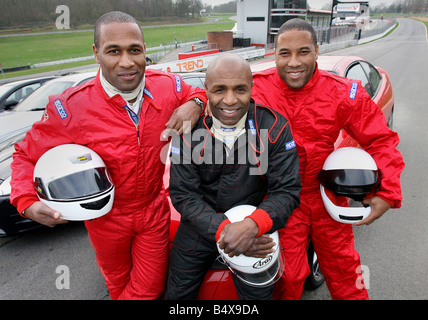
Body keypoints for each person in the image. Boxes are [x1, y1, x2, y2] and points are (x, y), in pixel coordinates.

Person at [10, 11, 206, 300]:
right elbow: (25, 156)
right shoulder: (71, 108)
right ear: (96, 53)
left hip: (153, 212)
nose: (126, 62)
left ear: (144, 51)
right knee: (117, 285)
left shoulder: (168, 87)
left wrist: (196, 103)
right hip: (104, 218)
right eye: (114, 51)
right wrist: (26, 202)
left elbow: (201, 91)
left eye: (134, 50)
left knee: (149, 289)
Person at [251, 18, 405, 300]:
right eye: (285, 53)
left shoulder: (342, 92)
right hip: (280, 198)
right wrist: (195, 102)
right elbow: (215, 91)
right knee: (285, 278)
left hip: (325, 197)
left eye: (303, 52)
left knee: (347, 274)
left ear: (317, 51)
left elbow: (381, 139)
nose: (294, 62)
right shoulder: (255, 88)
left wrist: (387, 191)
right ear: (273, 54)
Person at [164, 53, 301, 299]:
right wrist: (224, 229)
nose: (229, 100)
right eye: (219, 90)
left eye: (240, 89)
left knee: (258, 297)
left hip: (255, 232)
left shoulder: (274, 127)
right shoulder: (187, 129)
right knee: (178, 296)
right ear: (206, 89)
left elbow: (287, 191)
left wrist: (253, 226)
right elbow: (183, 194)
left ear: (251, 88)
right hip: (197, 230)